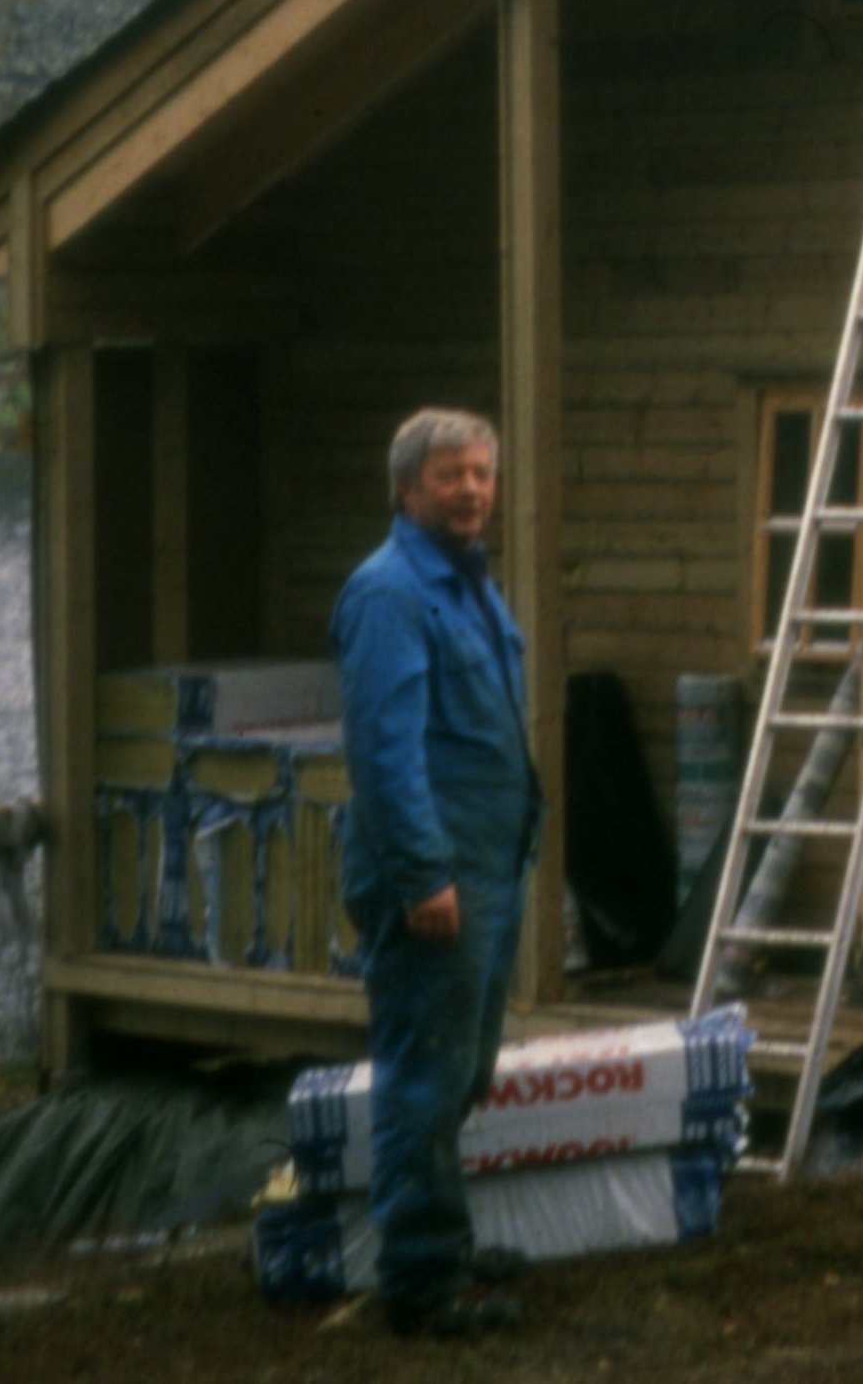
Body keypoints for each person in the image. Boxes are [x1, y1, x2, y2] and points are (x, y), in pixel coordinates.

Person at [333, 407, 548, 1341]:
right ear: (406, 489)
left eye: (481, 473)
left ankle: (442, 1245)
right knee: (425, 1074)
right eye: (450, 474)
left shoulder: (468, 587)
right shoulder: (389, 594)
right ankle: (420, 1281)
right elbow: (385, 753)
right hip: (431, 882)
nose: (470, 489)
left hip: (484, 875)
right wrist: (423, 875)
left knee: (459, 1070)